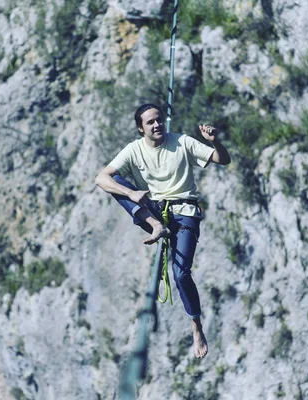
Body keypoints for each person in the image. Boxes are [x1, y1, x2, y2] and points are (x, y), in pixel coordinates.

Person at [95, 103, 231, 358]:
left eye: (159, 120)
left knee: (181, 274)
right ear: (140, 128)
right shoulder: (133, 150)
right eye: (150, 122)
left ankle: (196, 325)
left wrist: (215, 143)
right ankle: (157, 226)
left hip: (185, 212)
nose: (157, 125)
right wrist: (131, 193)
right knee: (115, 183)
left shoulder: (182, 142)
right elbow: (100, 178)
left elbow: (223, 160)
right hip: (154, 211)